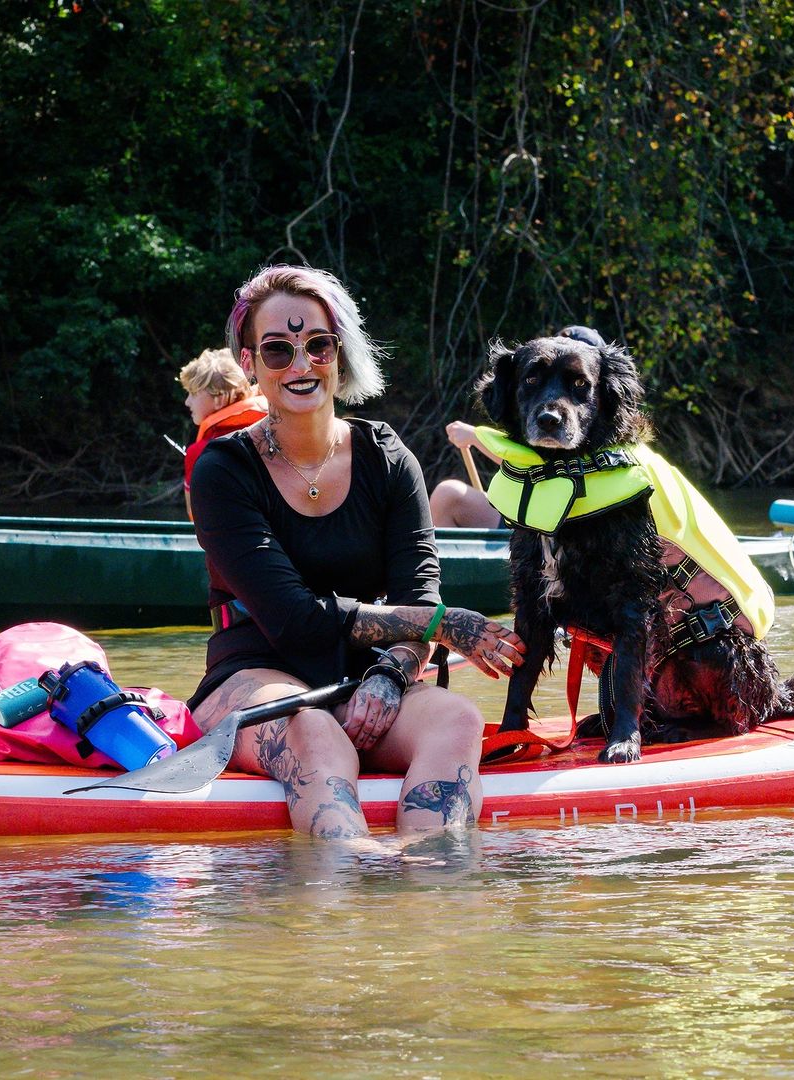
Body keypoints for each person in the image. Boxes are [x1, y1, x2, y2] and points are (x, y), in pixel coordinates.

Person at [188, 265, 526, 840]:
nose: (301, 364)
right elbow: (294, 621)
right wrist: (441, 624)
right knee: (313, 731)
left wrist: (392, 675)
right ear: (248, 365)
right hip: (253, 673)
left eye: (317, 344)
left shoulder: (388, 458)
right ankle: (342, 905)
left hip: (366, 676)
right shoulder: (222, 471)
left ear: (339, 352)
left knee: (457, 719)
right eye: (277, 350)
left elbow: (417, 588)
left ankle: (427, 897)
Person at [429, 325, 607, 528]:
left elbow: (545, 470)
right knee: (447, 495)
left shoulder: (613, 442)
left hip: (584, 518)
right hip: (523, 515)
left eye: (578, 382)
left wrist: (475, 436)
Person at [179, 347, 269, 519]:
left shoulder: (198, 453)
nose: (187, 402)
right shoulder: (278, 430)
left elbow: (196, 516)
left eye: (193, 393)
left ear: (220, 399)